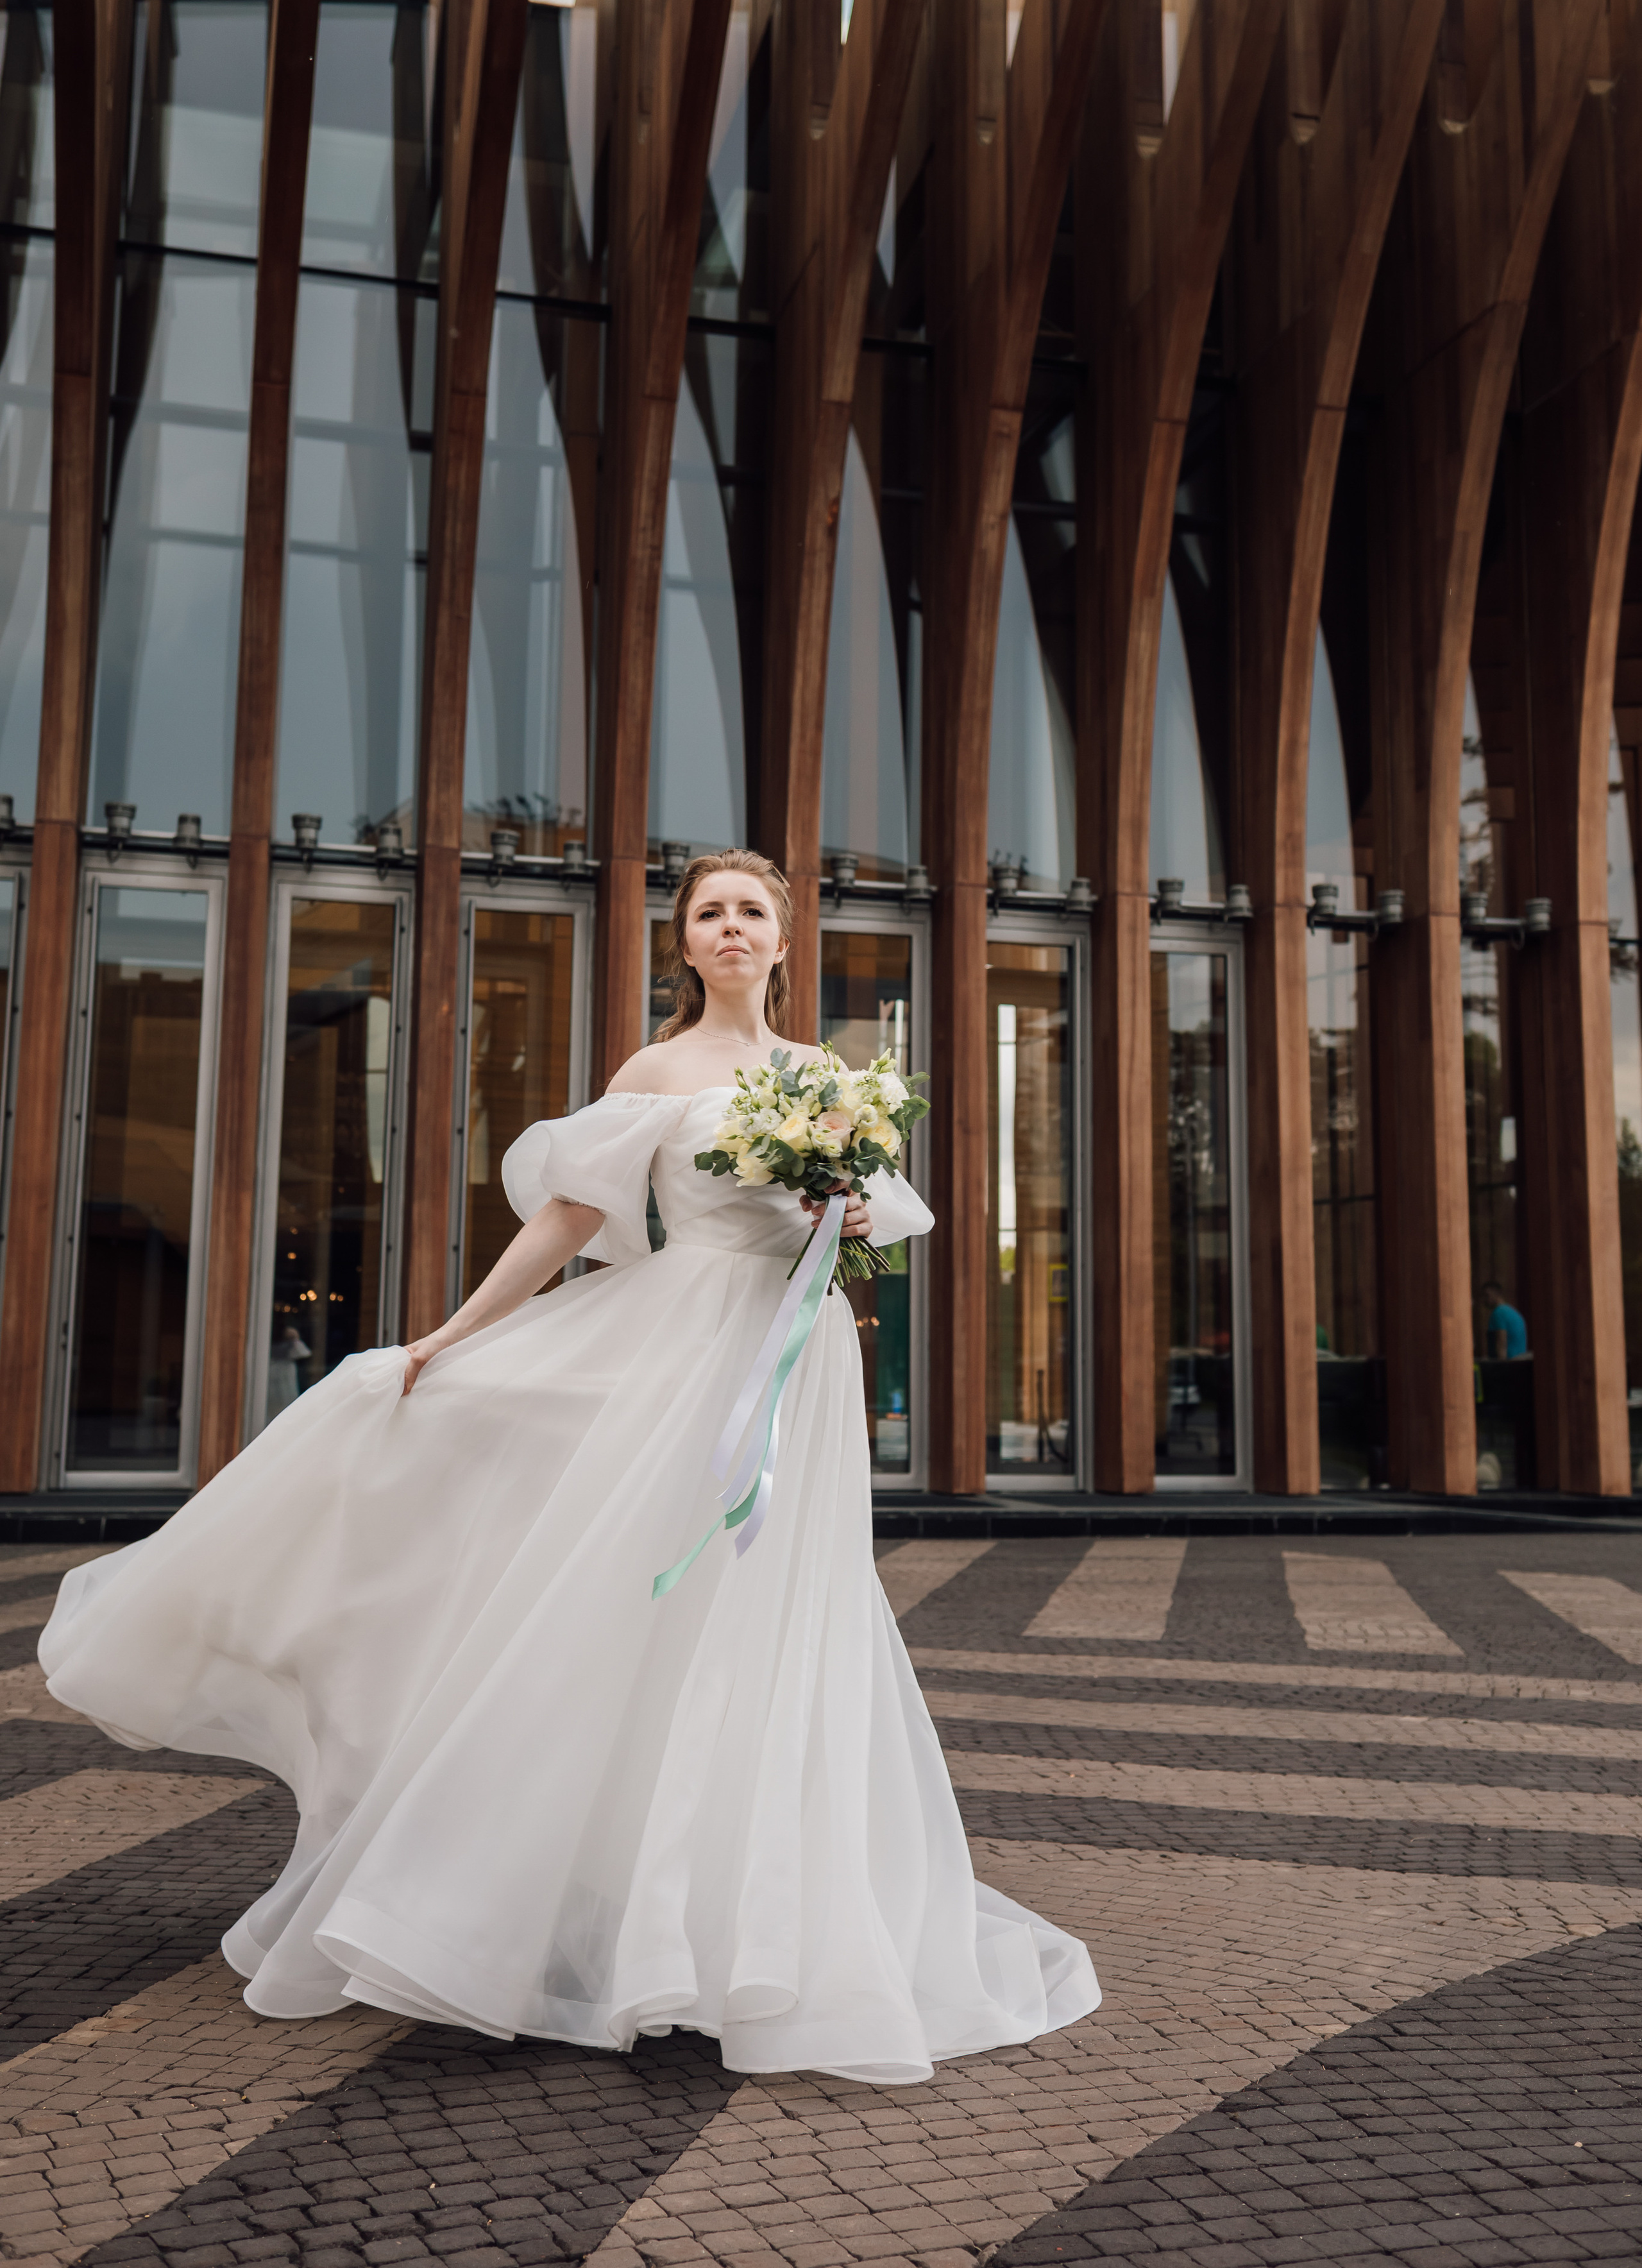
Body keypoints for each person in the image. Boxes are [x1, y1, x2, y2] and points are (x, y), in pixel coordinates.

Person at [40, 847, 1098, 2085]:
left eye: (752, 910)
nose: (732, 928)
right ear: (687, 943)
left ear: (785, 937)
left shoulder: (827, 1080)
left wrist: (854, 1215)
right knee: (628, 1615)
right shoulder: (656, 1071)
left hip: (794, 1371)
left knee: (776, 1627)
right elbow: (569, 1223)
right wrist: (449, 1337)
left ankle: (746, 1927)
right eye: (709, 913)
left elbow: (888, 1215)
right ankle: (590, 1913)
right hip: (671, 1360)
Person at [1482, 1278, 1528, 1360]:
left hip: (1509, 1363)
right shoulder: (1512, 1311)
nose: (1484, 1300)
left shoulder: (1498, 1313)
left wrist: (1501, 1367)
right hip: (1520, 1361)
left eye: (1487, 1295)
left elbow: (1501, 1342)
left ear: (1496, 1294)